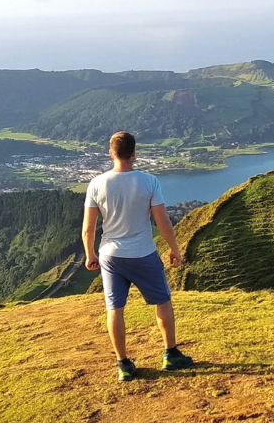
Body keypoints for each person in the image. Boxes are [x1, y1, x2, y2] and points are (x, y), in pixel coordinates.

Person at [82, 131, 192, 381]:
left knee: (114, 308)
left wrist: (90, 254)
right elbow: (162, 220)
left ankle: (123, 364)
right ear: (134, 154)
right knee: (162, 301)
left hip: (110, 255)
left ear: (111, 152)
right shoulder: (149, 182)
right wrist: (173, 248)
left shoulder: (96, 184)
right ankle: (170, 354)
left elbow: (89, 227)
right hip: (143, 252)